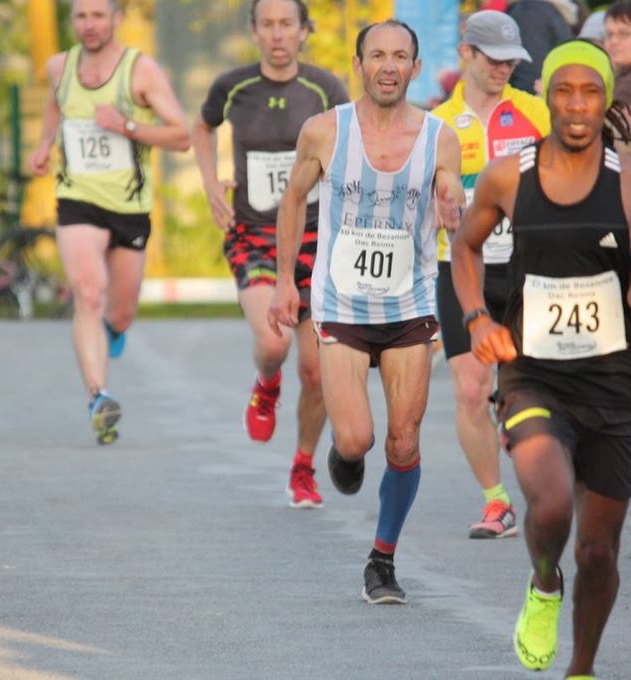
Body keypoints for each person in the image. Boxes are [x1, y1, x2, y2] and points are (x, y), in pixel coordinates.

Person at [451, 39, 631, 675]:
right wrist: (477, 317)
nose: (577, 106)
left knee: (598, 551)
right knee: (549, 504)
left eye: (591, 92)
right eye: (564, 92)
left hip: (614, 383)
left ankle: (581, 668)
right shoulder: (507, 177)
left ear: (608, 101)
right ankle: (544, 581)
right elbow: (465, 248)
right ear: (545, 98)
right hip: (533, 376)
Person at [267, 19, 463, 604]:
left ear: (415, 68)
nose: (387, 66)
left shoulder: (438, 137)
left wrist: (452, 199)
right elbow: (294, 197)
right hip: (341, 304)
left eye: (399, 57)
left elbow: (449, 185)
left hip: (409, 302)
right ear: (358, 64)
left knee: (403, 444)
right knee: (357, 440)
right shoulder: (325, 132)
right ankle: (342, 454)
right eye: (377, 55)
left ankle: (382, 559)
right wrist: (285, 282)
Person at [192, 0, 349, 508]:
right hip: (255, 232)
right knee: (274, 342)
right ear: (254, 32)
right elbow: (201, 127)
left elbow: (351, 147)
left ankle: (303, 466)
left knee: (316, 372)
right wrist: (212, 183)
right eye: (268, 25)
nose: (277, 34)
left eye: (287, 24)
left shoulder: (325, 89)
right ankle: (265, 382)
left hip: (317, 239)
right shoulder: (232, 87)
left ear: (304, 32)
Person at [28, 0, 190, 444]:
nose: (90, 24)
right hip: (76, 199)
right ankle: (99, 397)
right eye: (81, 16)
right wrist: (44, 146)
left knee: (119, 310)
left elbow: (181, 135)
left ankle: (114, 330)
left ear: (117, 19)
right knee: (88, 290)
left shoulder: (141, 71)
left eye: (99, 15)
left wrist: (128, 127)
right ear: (72, 21)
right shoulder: (59, 66)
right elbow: (55, 106)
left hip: (129, 206)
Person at [431, 10, 550, 540]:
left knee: (527, 390)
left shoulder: (535, 112)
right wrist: (434, 203)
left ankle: (532, 463)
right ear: (466, 55)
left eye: (512, 61)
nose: (504, 69)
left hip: (527, 268)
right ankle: (496, 501)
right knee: (471, 390)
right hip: (462, 268)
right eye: (494, 59)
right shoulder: (436, 124)